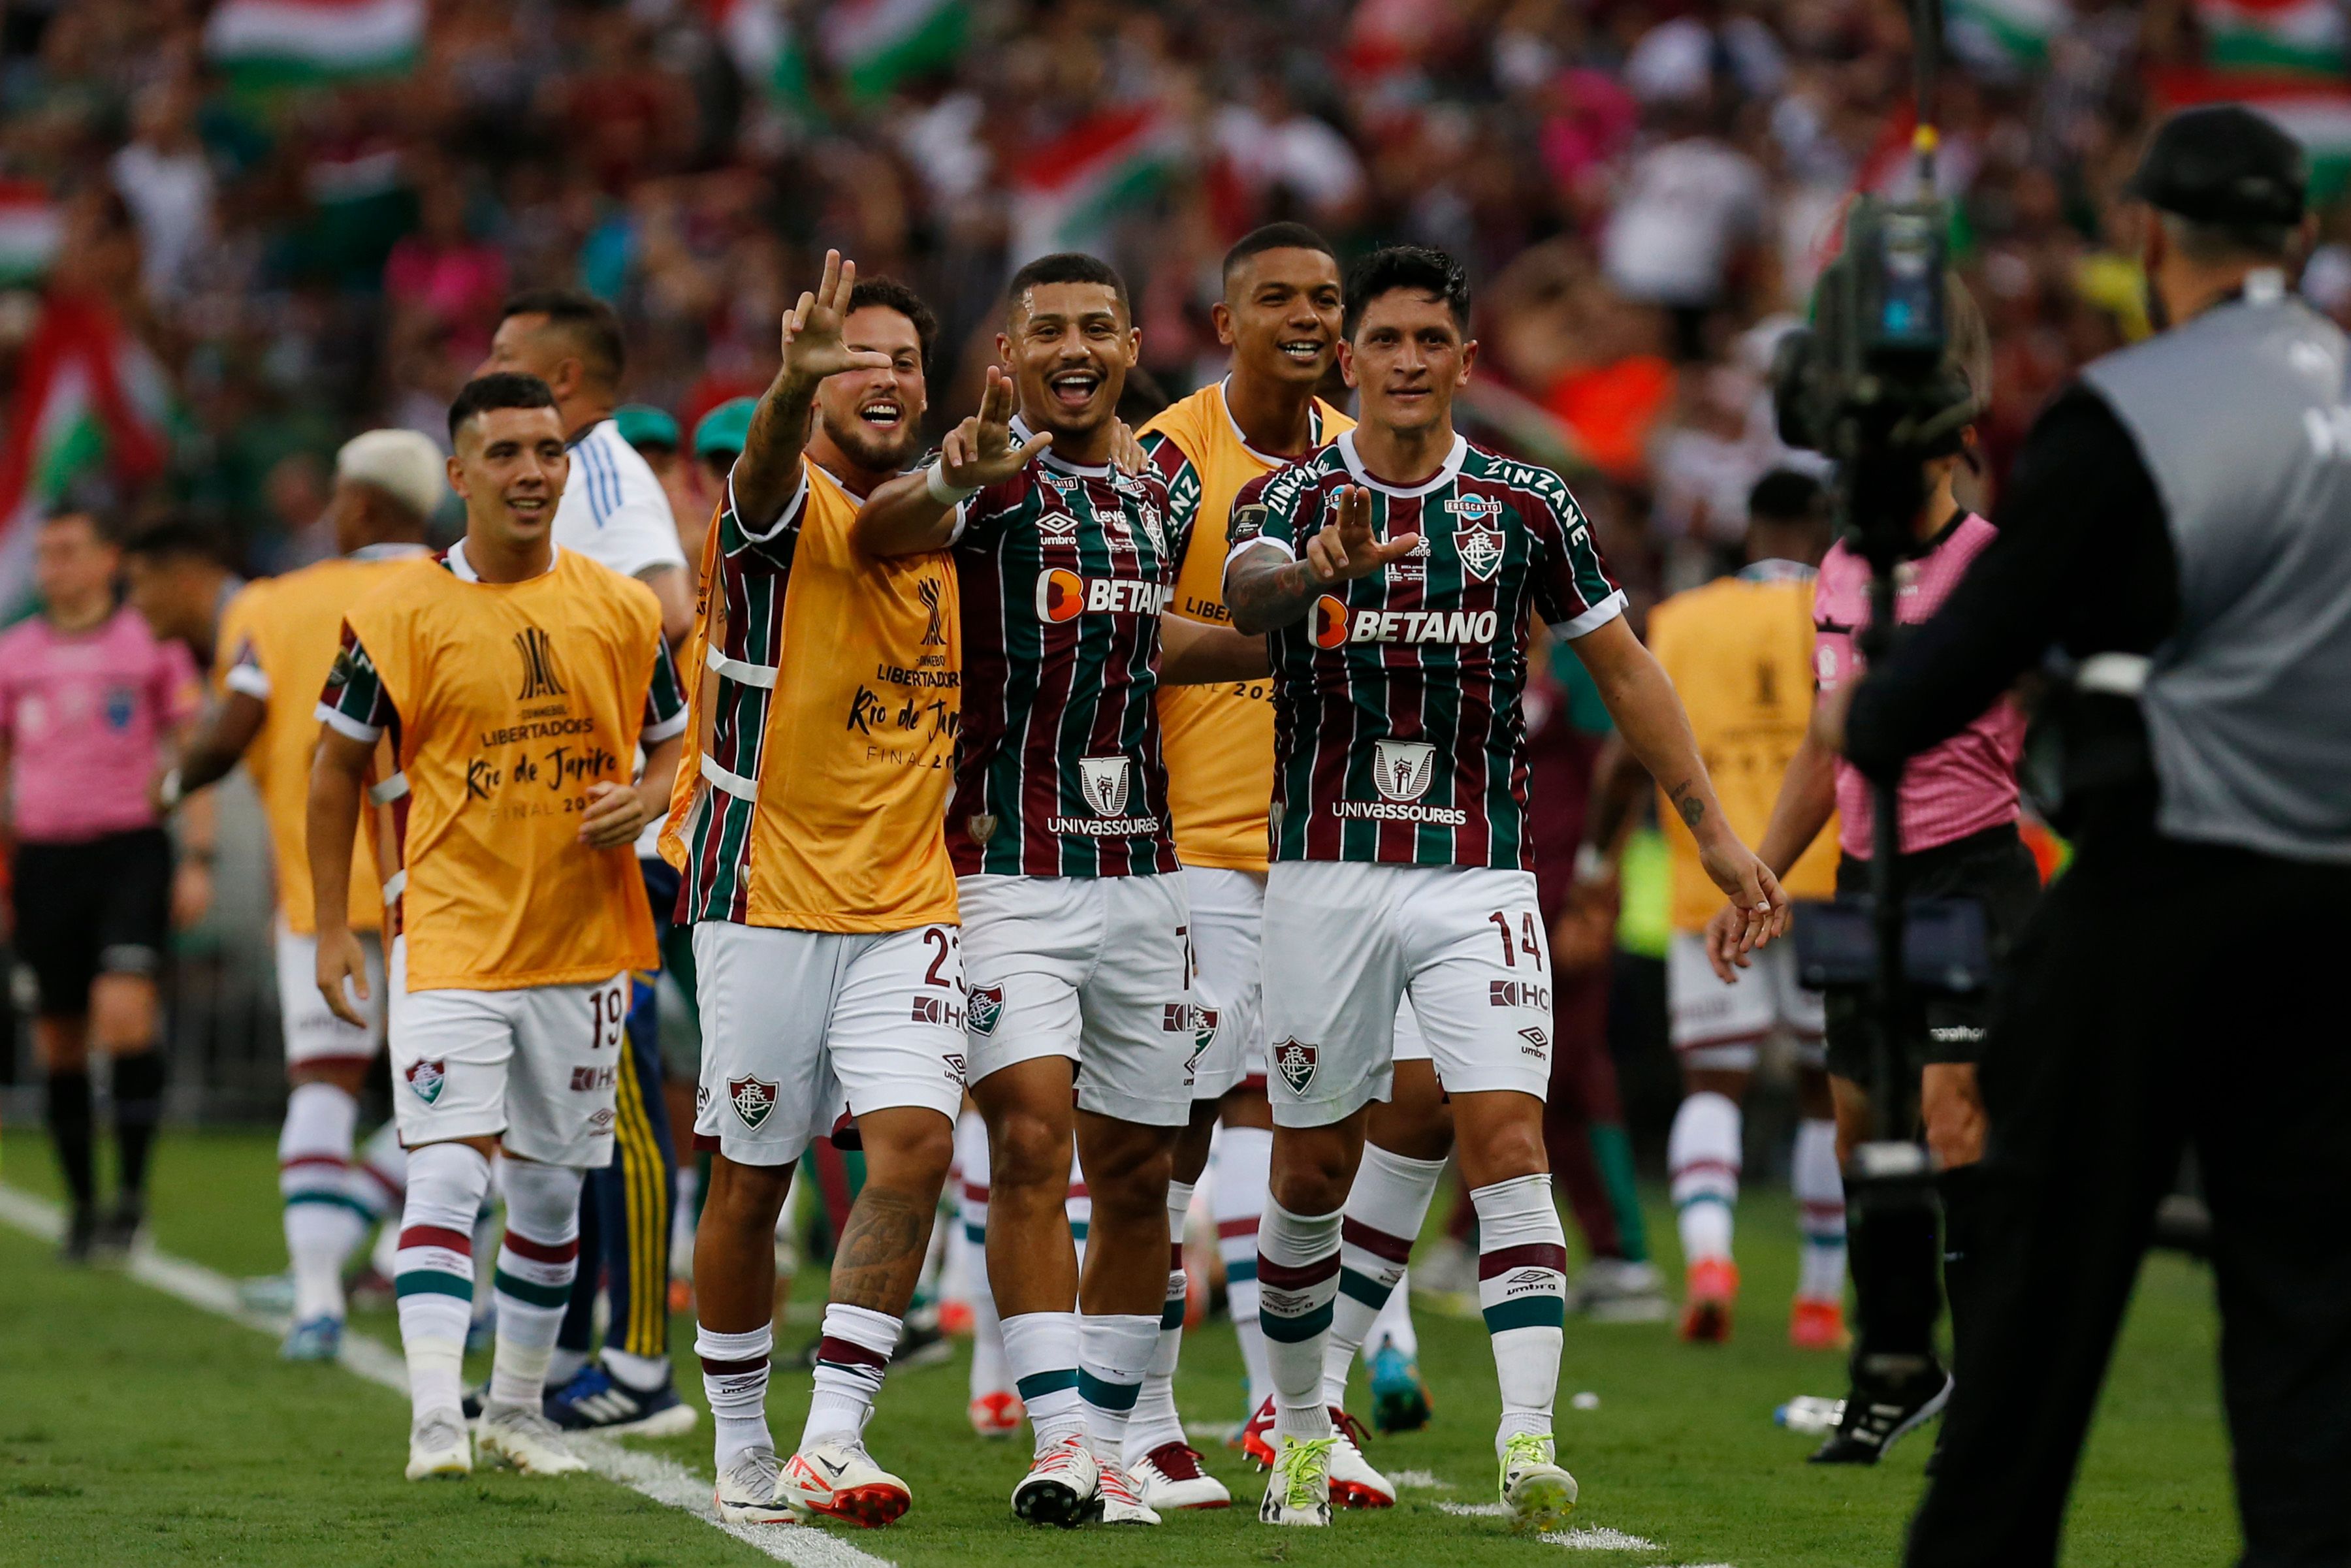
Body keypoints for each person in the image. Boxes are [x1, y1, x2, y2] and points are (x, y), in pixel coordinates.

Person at [1825, 106, 2351, 1568]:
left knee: (2043, 1282)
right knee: (2308, 1314)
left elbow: (1953, 668)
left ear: (2149, 237)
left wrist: (1871, 673)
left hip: (2168, 892)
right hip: (2338, 911)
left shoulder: (2134, 410)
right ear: (2298, 238)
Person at [1223, 244, 1785, 1529]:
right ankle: (1302, 1429)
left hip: (1480, 872)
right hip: (1324, 872)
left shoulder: (1530, 508)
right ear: (1348, 359)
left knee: (1507, 1139)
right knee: (1310, 1171)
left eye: (1434, 340)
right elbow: (1247, 596)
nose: (1410, 362)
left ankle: (1527, 1441)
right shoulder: (1296, 492)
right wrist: (1319, 573)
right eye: (1389, 341)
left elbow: (1630, 671)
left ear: (1467, 362)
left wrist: (1708, 827)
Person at [854, 251, 1262, 1528]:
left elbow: (1142, 635)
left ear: (1134, 343)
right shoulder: (986, 475)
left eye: (1097, 326)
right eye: (1050, 331)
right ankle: (1064, 1440)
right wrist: (955, 471)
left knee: (1139, 1171)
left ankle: (1115, 1431)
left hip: (1146, 871)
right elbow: (881, 532)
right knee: (1030, 1134)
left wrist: (1287, 628)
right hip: (1002, 868)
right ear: (1013, 352)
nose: (1075, 347)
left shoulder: (1156, 488)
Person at [308, 372, 686, 1483]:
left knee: (553, 1188)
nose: (532, 471)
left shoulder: (622, 610)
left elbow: (674, 743)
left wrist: (650, 797)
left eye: (548, 451)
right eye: (506, 452)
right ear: (460, 474)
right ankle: (436, 1420)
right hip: (453, 933)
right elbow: (334, 770)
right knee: (446, 1174)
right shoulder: (394, 613)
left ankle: (515, 1412)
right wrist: (336, 926)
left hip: (585, 942)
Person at [658, 253, 970, 1529]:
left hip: (909, 896)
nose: (883, 375)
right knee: (753, 1178)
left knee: (916, 1150)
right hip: (765, 893)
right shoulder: (775, 514)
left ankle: (834, 1433)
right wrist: (790, 384)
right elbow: (770, 474)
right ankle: (741, 1436)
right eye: (859, 355)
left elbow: (927, 515)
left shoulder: (945, 523)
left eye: (901, 358)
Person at [1707, 281, 2035, 1465]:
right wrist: (1762, 872)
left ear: (1949, 444)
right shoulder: (1842, 568)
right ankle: (1901, 1367)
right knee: (1861, 1135)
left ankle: (1994, 1383)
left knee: (1955, 1125)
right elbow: (1827, 737)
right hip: (1863, 879)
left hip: (1971, 874)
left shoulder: (2001, 567)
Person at [1130, 221, 1356, 1510]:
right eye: (1277, 298)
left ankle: (1290, 1418)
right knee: (1181, 1129)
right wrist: (1267, 639)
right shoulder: (1170, 457)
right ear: (1227, 322)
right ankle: (1156, 1420)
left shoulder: (1365, 458)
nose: (1306, 317)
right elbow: (1125, 627)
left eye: (1325, 298)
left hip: (1337, 843)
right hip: (1202, 838)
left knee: (1327, 1136)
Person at [167, 428, 443, 1357]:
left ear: (357, 504)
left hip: (320, 890)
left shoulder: (276, 604)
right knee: (452, 1102)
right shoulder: (461, 587)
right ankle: (448, 1287)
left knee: (321, 1086)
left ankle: (318, 1296)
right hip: (442, 887)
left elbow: (226, 728)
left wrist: (171, 786)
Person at [478, 289, 696, 1435]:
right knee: (557, 1109)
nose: (486, 371)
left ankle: (645, 1367)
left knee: (617, 1100)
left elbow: (664, 608)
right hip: (558, 838)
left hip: (625, 836)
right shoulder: (567, 475)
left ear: (562, 383)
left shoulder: (601, 470)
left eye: (506, 361)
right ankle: (563, 1350)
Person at [1585, 468, 1846, 1347]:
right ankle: (1818, 1298)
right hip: (1828, 877)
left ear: (1749, 528)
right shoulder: (1848, 609)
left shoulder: (1683, 620)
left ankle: (1708, 1259)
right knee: (1828, 1089)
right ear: (1823, 524)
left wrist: (1597, 857)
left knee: (1712, 1078)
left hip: (1716, 884)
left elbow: (1627, 757)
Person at [0, 511, 201, 1259]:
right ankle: (83, 1205)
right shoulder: (14, 654)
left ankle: (132, 1196)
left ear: (108, 558)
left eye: (68, 551)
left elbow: (193, 749)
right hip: (44, 858)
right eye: (46, 552)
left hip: (129, 850)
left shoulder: (148, 645)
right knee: (57, 1039)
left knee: (124, 1015)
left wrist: (198, 855)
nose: (53, 565)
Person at [121, 516, 242, 669]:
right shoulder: (230, 637)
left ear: (185, 578)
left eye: (138, 584)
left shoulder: (251, 634)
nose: (134, 602)